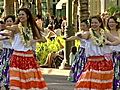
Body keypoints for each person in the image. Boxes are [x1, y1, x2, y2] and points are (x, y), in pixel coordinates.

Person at [5, 8, 47, 90]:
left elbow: (43, 39)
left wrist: (34, 40)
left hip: (29, 57)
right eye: (19, 14)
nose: (20, 16)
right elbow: (7, 28)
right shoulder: (16, 27)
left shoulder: (33, 28)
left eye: (22, 14)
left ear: (27, 16)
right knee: (17, 81)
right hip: (17, 57)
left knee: (29, 79)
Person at [74, 15, 120, 90]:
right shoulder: (89, 33)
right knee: (90, 83)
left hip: (104, 63)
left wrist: (111, 43)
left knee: (102, 84)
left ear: (100, 23)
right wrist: (80, 35)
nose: (94, 25)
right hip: (92, 63)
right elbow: (83, 36)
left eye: (96, 23)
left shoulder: (105, 33)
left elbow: (117, 40)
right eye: (92, 23)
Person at [0, 15, 15, 90]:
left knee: (10, 68)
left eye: (10, 21)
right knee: (2, 67)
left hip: (12, 52)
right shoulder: (2, 31)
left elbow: (12, 38)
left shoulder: (15, 32)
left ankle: (8, 83)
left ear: (13, 22)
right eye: (7, 21)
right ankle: (3, 82)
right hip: (5, 52)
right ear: (5, 23)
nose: (9, 23)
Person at [106, 16, 120, 90]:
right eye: (109, 22)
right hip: (109, 56)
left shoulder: (119, 31)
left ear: (116, 23)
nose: (111, 24)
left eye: (113, 22)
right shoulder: (106, 32)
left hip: (118, 55)